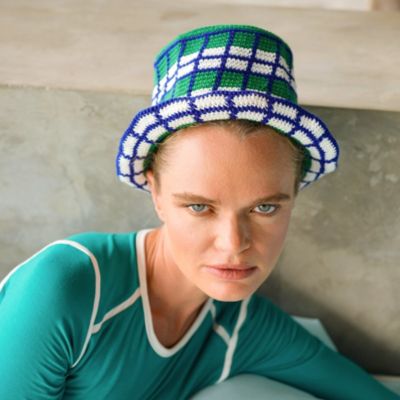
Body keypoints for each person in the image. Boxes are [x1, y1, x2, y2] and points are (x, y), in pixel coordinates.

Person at [0, 24, 398, 400]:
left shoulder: (243, 328)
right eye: (199, 206)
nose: (233, 244)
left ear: (294, 196)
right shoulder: (66, 289)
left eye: (264, 207)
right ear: (155, 192)